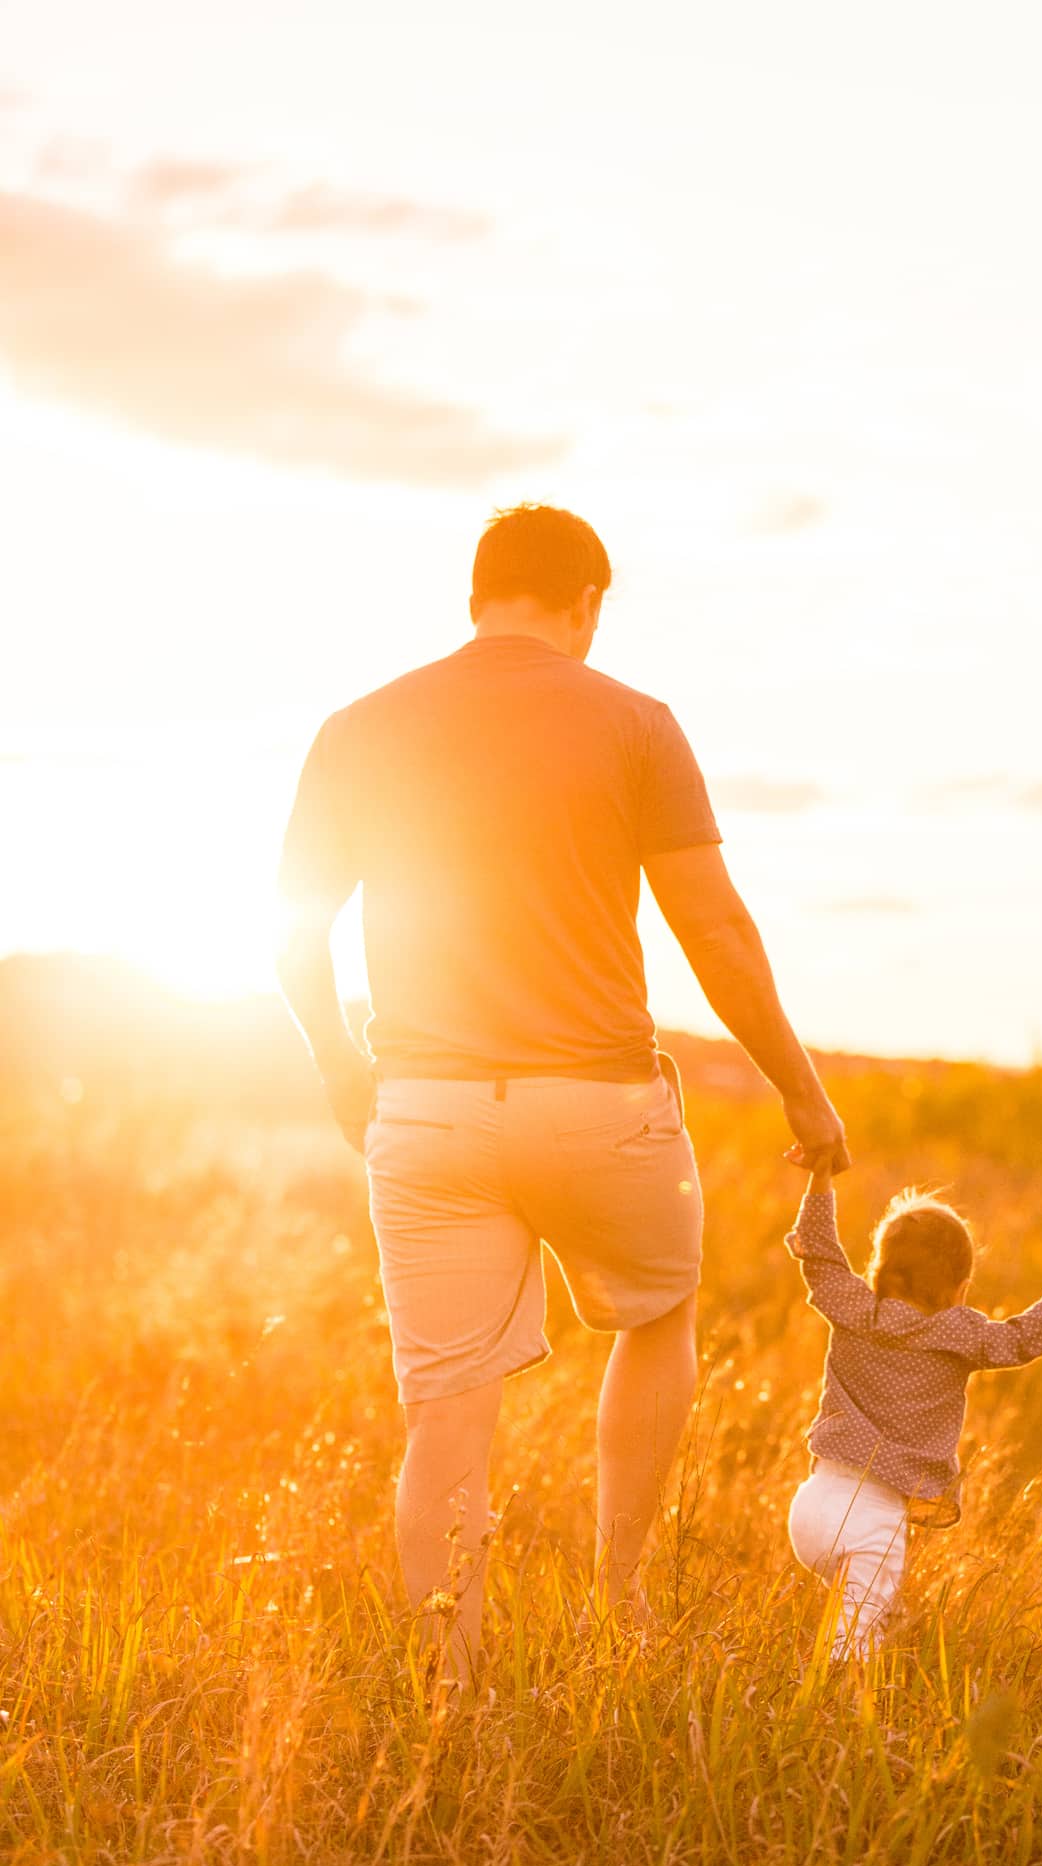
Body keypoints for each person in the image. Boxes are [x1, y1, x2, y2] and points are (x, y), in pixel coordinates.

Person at [277, 503, 848, 1676]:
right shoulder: (636, 722)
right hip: (600, 1107)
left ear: (477, 596)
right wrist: (801, 1089)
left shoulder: (358, 726)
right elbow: (717, 931)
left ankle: (453, 1679)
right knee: (656, 1312)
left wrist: (345, 1072)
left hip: (426, 1108)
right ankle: (622, 1593)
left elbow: (292, 936)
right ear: (586, 602)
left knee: (447, 1407)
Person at [786, 1172, 1042, 1656]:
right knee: (853, 1648)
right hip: (872, 1522)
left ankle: (884, 1635)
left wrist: (820, 1178)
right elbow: (1030, 1335)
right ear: (961, 1289)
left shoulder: (855, 1306)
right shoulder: (958, 1333)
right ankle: (841, 1712)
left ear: (877, 1271)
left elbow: (818, 1254)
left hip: (810, 1506)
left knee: (871, 1612)